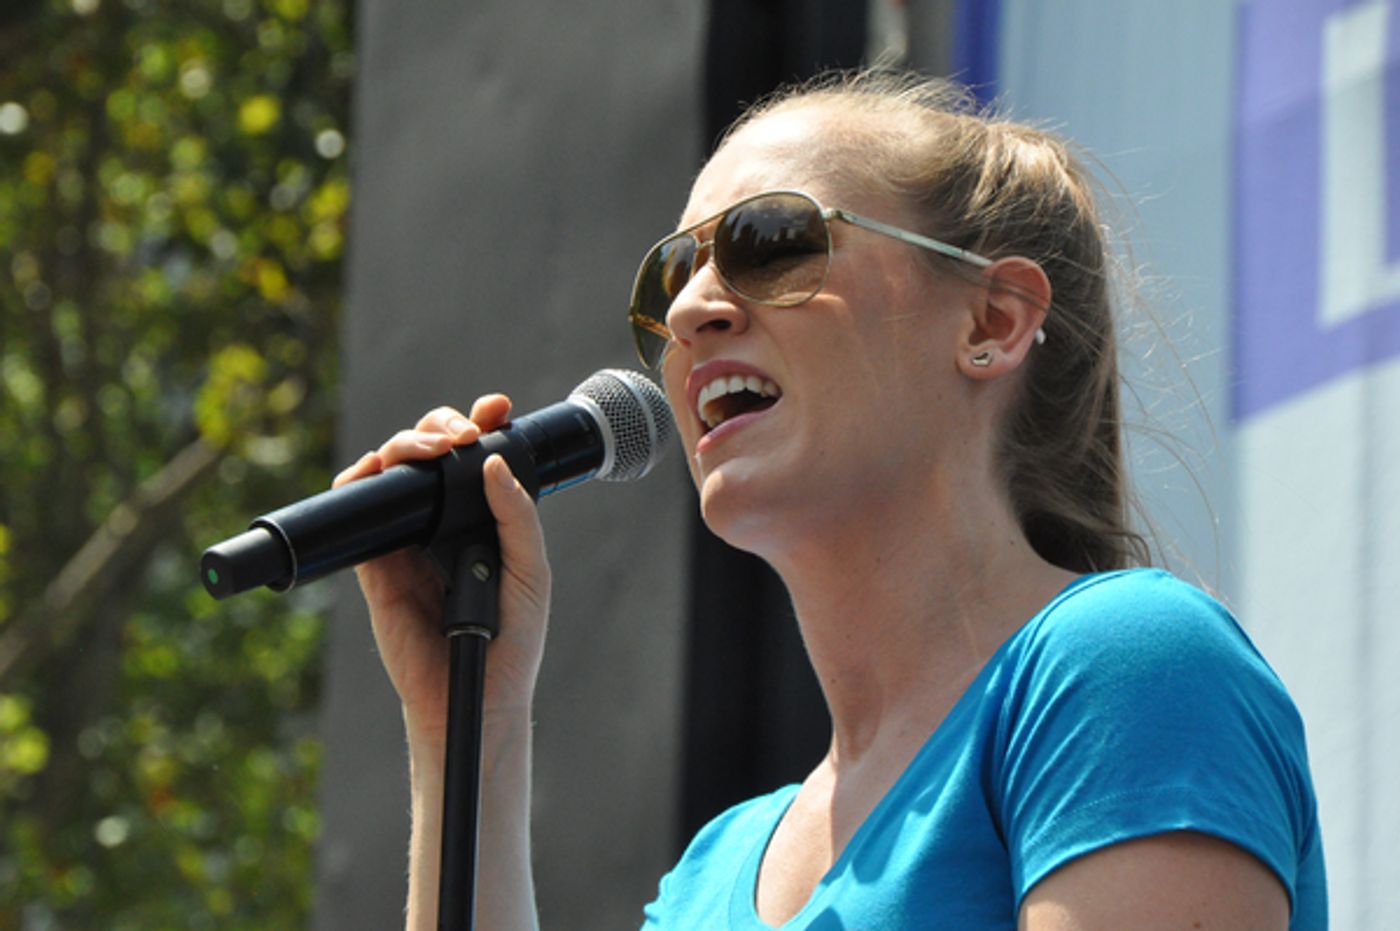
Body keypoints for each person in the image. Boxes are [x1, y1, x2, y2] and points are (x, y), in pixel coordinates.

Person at [334, 70, 1326, 930]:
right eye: (669, 277)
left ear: (990, 319)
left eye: (768, 241)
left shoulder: (1121, 665)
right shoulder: (717, 869)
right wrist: (473, 722)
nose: (689, 309)